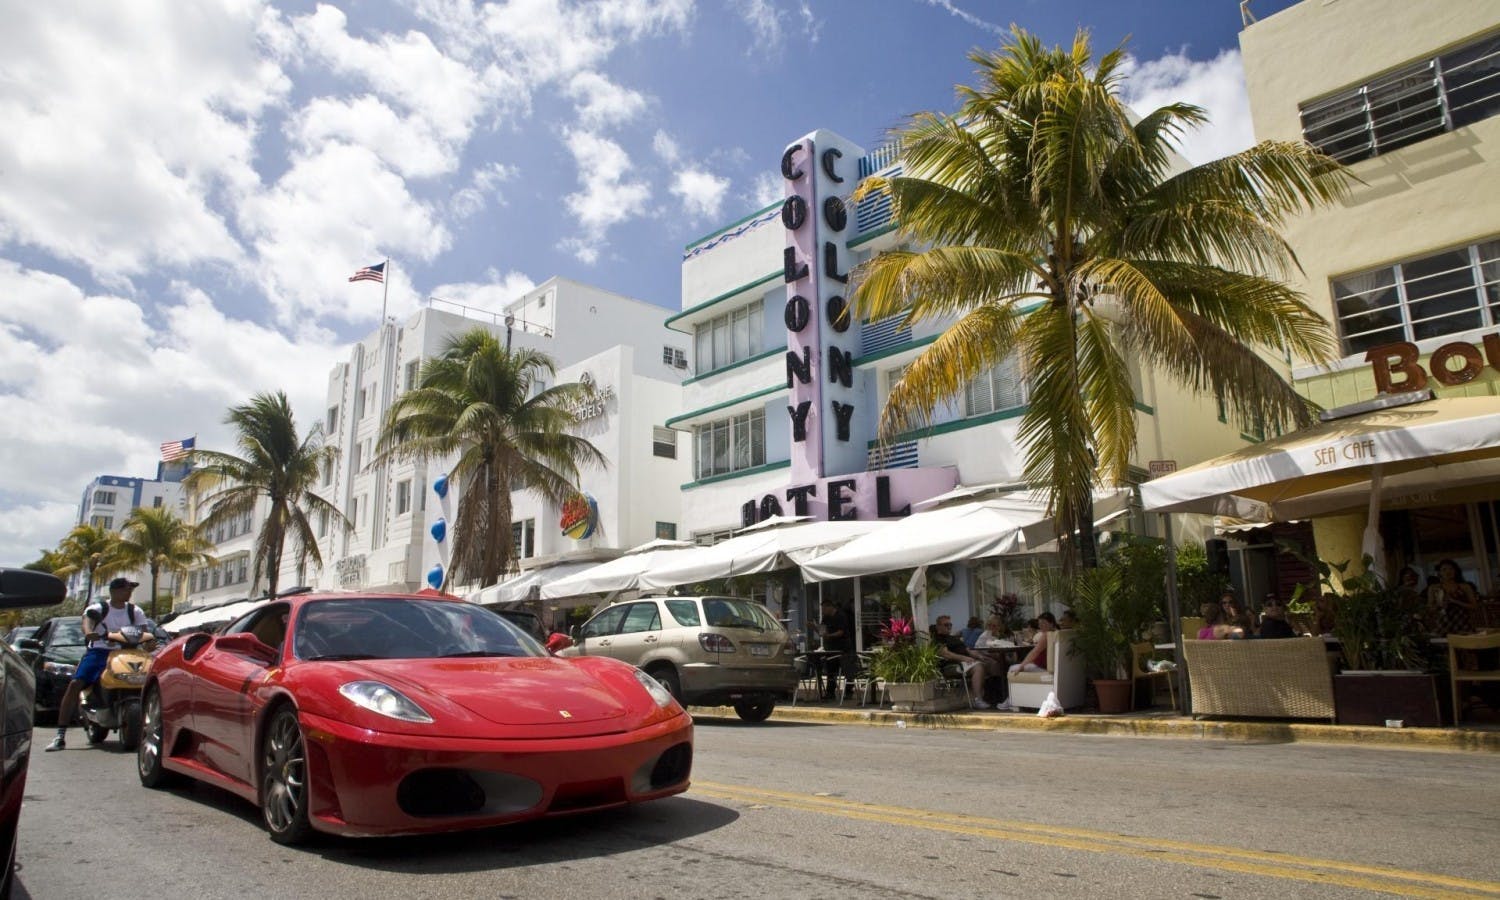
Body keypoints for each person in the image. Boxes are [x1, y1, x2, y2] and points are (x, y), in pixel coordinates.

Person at [46, 577, 155, 752]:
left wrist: (149, 641)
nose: (129, 592)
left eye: (130, 589)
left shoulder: (135, 611)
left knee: (150, 681)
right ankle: (60, 735)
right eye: (126, 589)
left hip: (128, 652)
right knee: (76, 683)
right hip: (100, 652)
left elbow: (143, 632)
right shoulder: (99, 609)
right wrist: (89, 632)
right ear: (114, 591)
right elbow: (87, 621)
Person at [930, 615, 999, 708]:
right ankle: (977, 699)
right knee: (978, 667)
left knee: (993, 665)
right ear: (938, 626)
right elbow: (946, 654)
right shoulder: (937, 639)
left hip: (966, 662)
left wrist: (980, 656)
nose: (949, 627)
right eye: (946, 625)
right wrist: (964, 658)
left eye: (950, 624)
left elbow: (968, 650)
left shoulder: (953, 638)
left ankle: (994, 697)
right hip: (952, 665)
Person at [994, 612, 1058, 711]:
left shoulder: (1046, 635)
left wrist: (1022, 665)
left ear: (1051, 623)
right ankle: (1012, 700)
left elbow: (1034, 652)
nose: (1041, 625)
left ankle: (1011, 701)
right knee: (1018, 667)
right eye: (1040, 623)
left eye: (1044, 623)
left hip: (1041, 667)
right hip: (1047, 666)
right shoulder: (1057, 632)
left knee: (1012, 669)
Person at [1428, 558, 1479, 635]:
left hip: (1463, 622)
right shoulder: (1434, 588)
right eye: (1444, 569)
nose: (1448, 572)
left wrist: (1455, 601)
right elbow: (1430, 608)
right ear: (1439, 573)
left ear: (1455, 571)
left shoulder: (1464, 586)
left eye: (1451, 569)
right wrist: (1440, 605)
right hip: (1443, 623)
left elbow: (1474, 606)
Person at [817, 599, 853, 699]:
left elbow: (841, 632)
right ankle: (830, 693)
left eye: (824, 608)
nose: (823, 611)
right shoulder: (825, 618)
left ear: (830, 607)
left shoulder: (841, 616)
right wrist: (815, 627)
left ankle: (849, 691)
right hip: (831, 648)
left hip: (843, 647)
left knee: (847, 670)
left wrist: (829, 635)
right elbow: (822, 632)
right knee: (831, 670)